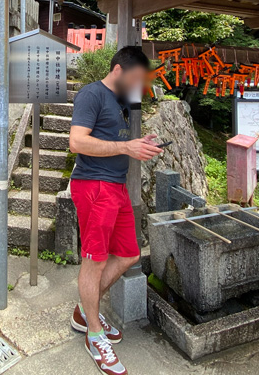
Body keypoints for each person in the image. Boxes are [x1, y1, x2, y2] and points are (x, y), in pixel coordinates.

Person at [68, 46, 164, 375]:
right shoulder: (91, 95)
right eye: (136, 78)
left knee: (128, 254)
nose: (138, 86)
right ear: (119, 69)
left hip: (116, 187)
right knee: (94, 260)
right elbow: (77, 142)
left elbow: (116, 139)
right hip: (94, 186)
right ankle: (94, 334)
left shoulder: (121, 101)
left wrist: (140, 142)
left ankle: (85, 310)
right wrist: (126, 147)